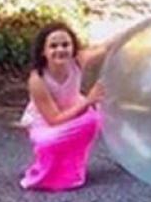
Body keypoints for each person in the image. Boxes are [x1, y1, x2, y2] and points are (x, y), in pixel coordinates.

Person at [18, 21, 112, 191]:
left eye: (65, 44)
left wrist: (136, 31)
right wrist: (88, 101)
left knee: (94, 119)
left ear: (73, 48)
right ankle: (44, 172)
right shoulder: (37, 79)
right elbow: (54, 120)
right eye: (53, 46)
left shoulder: (78, 61)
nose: (60, 50)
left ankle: (71, 170)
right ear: (43, 52)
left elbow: (106, 47)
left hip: (75, 114)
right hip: (47, 124)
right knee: (47, 141)